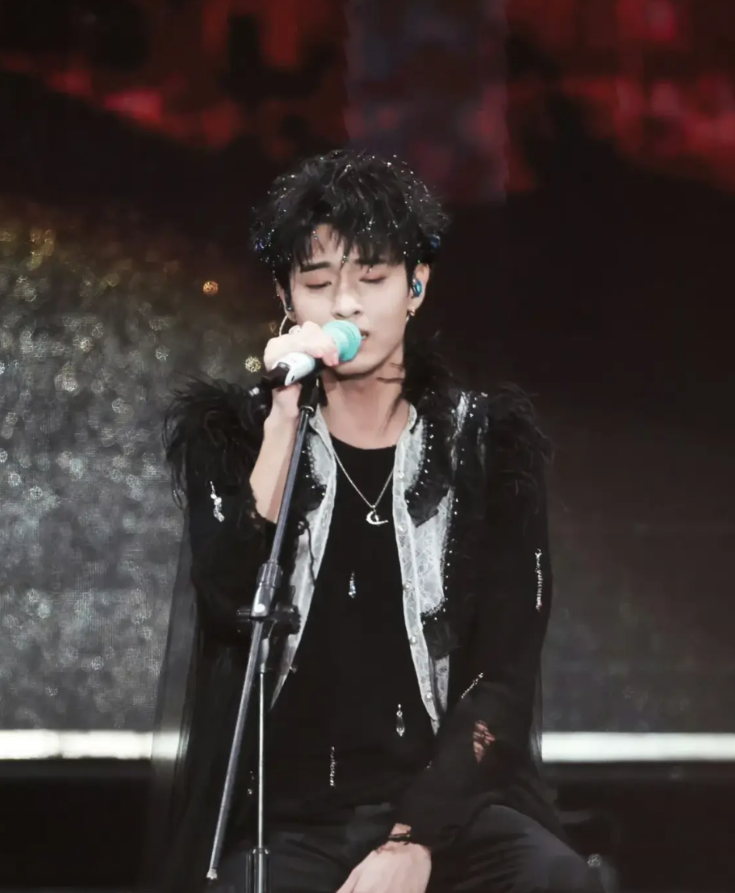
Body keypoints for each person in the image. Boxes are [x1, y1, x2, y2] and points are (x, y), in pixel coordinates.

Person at [152, 150, 602, 893]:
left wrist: (412, 839)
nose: (346, 305)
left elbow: (503, 677)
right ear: (285, 296)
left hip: (447, 811)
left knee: (551, 878)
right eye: (317, 283)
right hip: (288, 820)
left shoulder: (486, 447)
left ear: (416, 286)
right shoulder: (234, 439)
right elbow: (229, 598)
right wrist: (282, 419)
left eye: (372, 277)